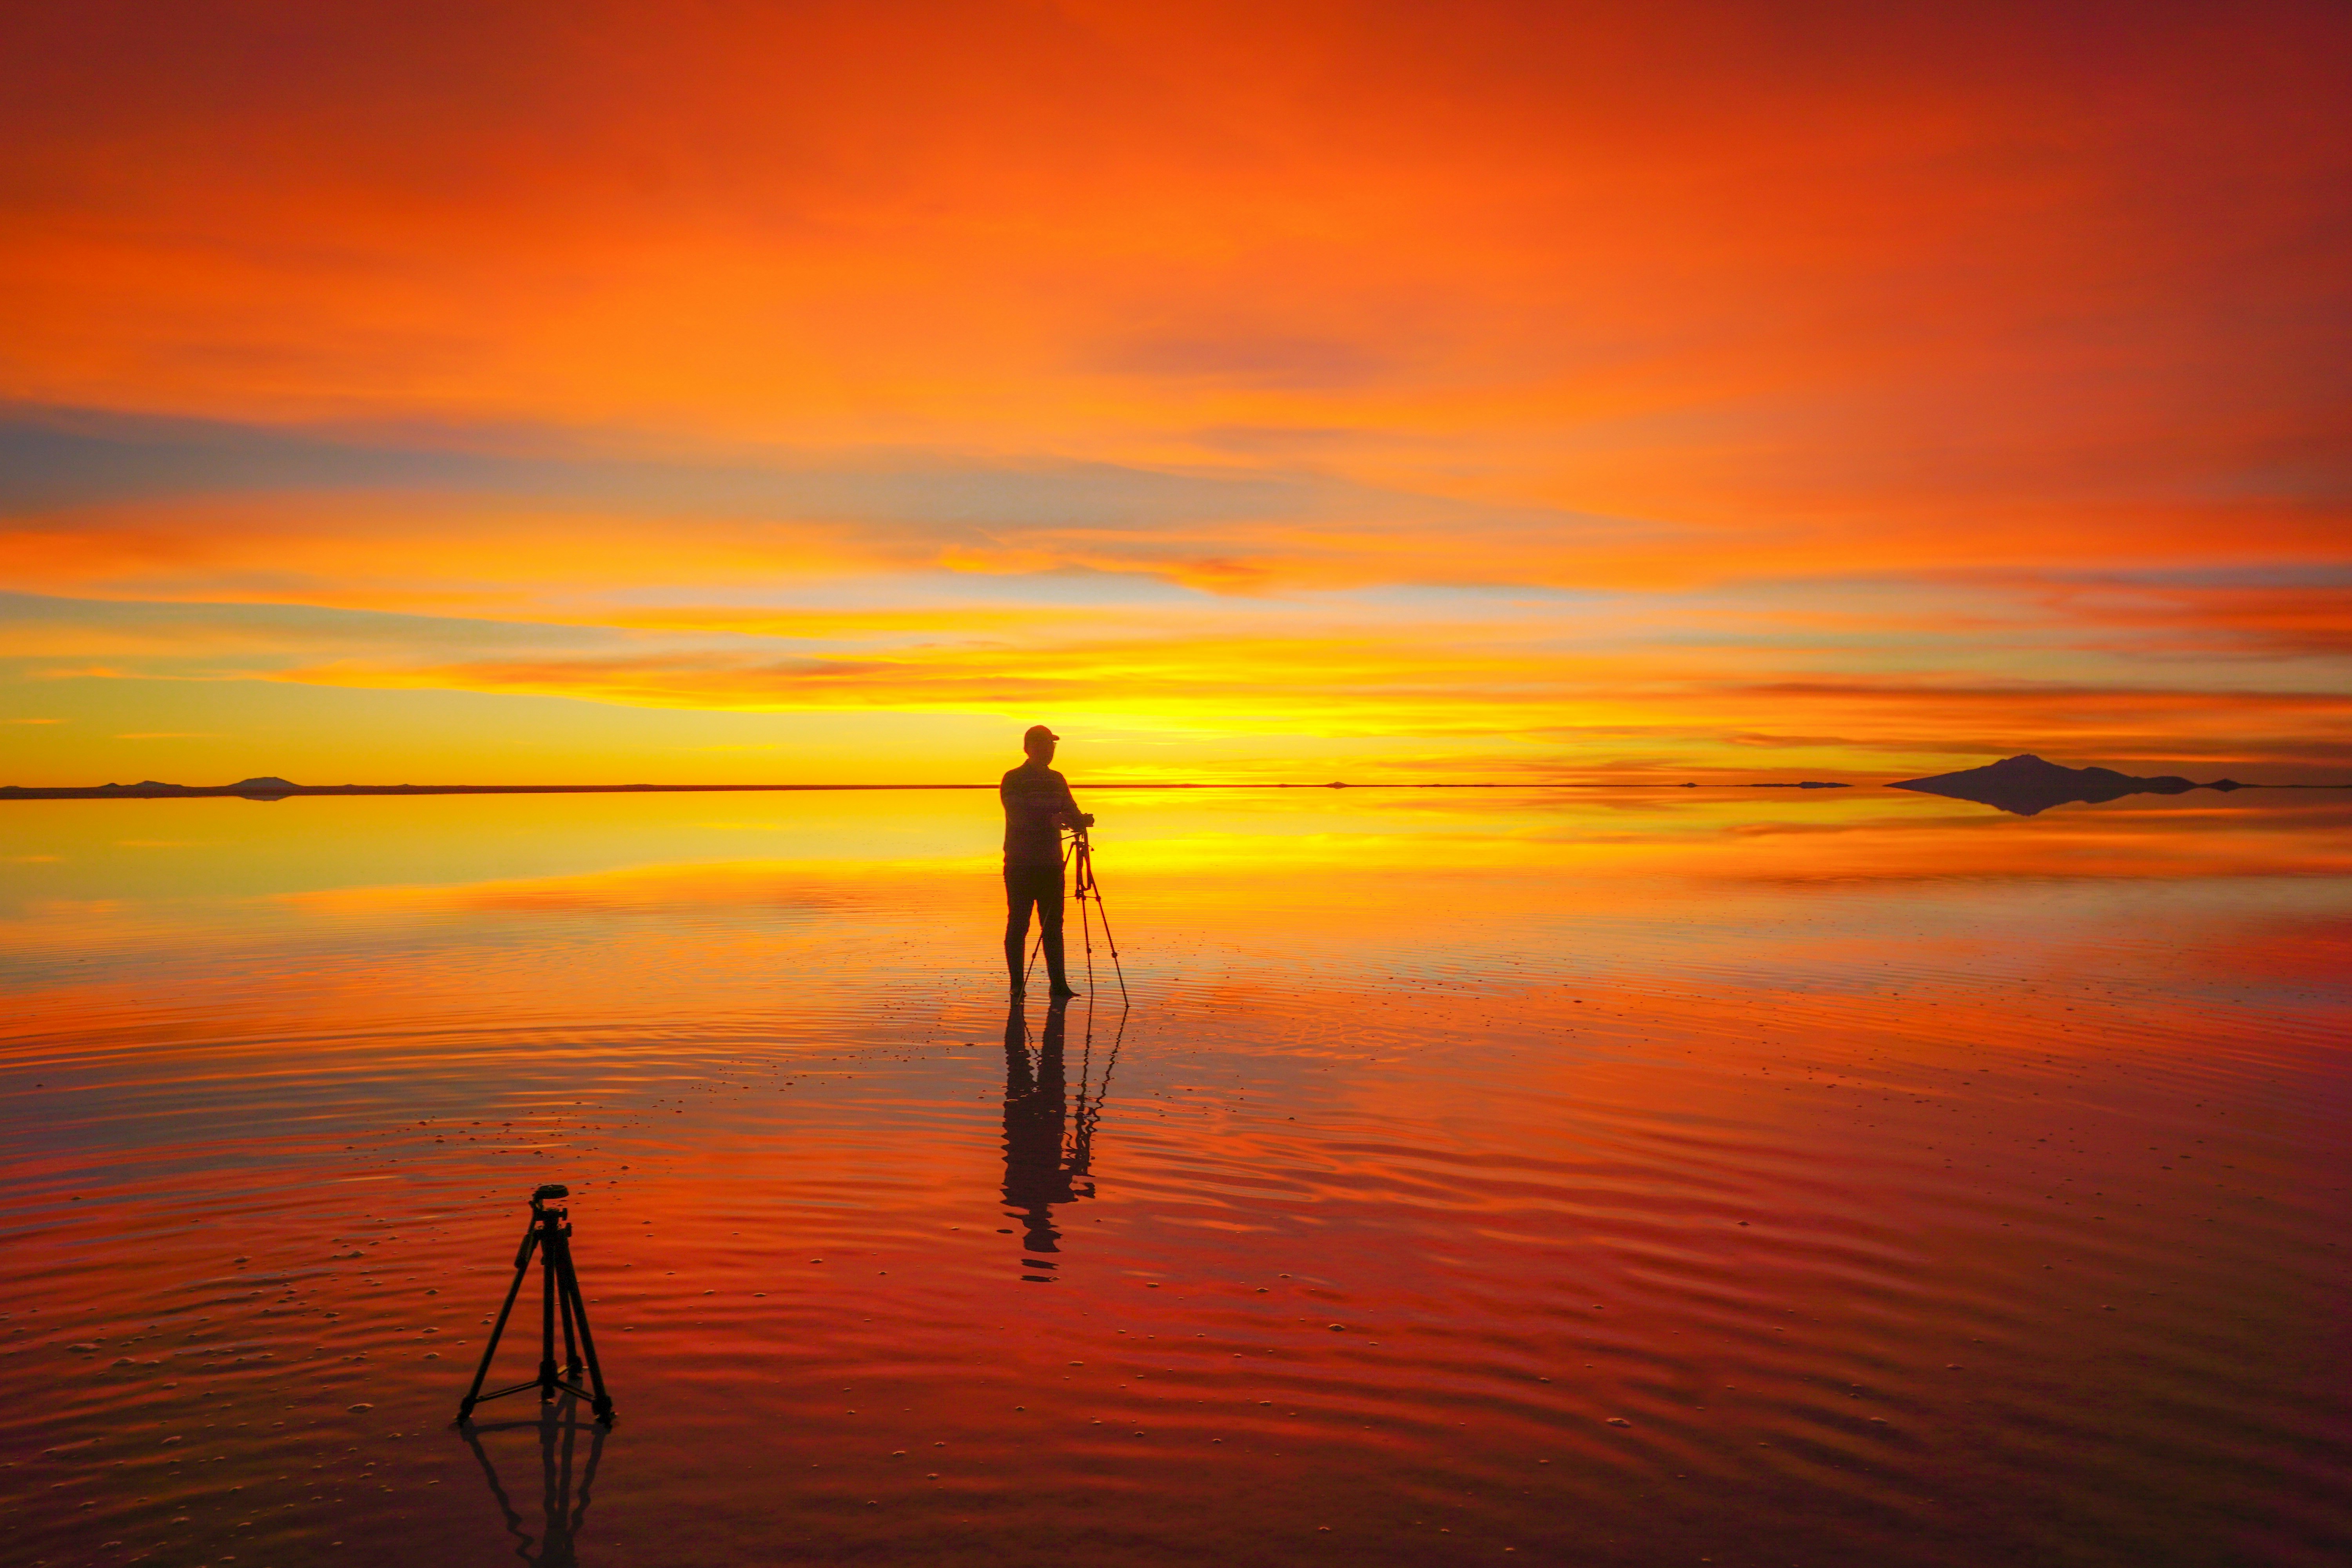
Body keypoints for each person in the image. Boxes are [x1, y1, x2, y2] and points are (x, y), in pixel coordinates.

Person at [1001, 724, 1090, 996]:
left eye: (1052, 745)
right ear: (1029, 748)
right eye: (1045, 745)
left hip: (1052, 863)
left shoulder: (1057, 779)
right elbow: (1018, 816)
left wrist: (1080, 820)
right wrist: (1050, 820)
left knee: (1054, 925)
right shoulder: (1013, 779)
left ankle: (1059, 986)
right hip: (1021, 864)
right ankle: (1017, 986)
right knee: (1020, 923)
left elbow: (1070, 808)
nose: (1050, 750)